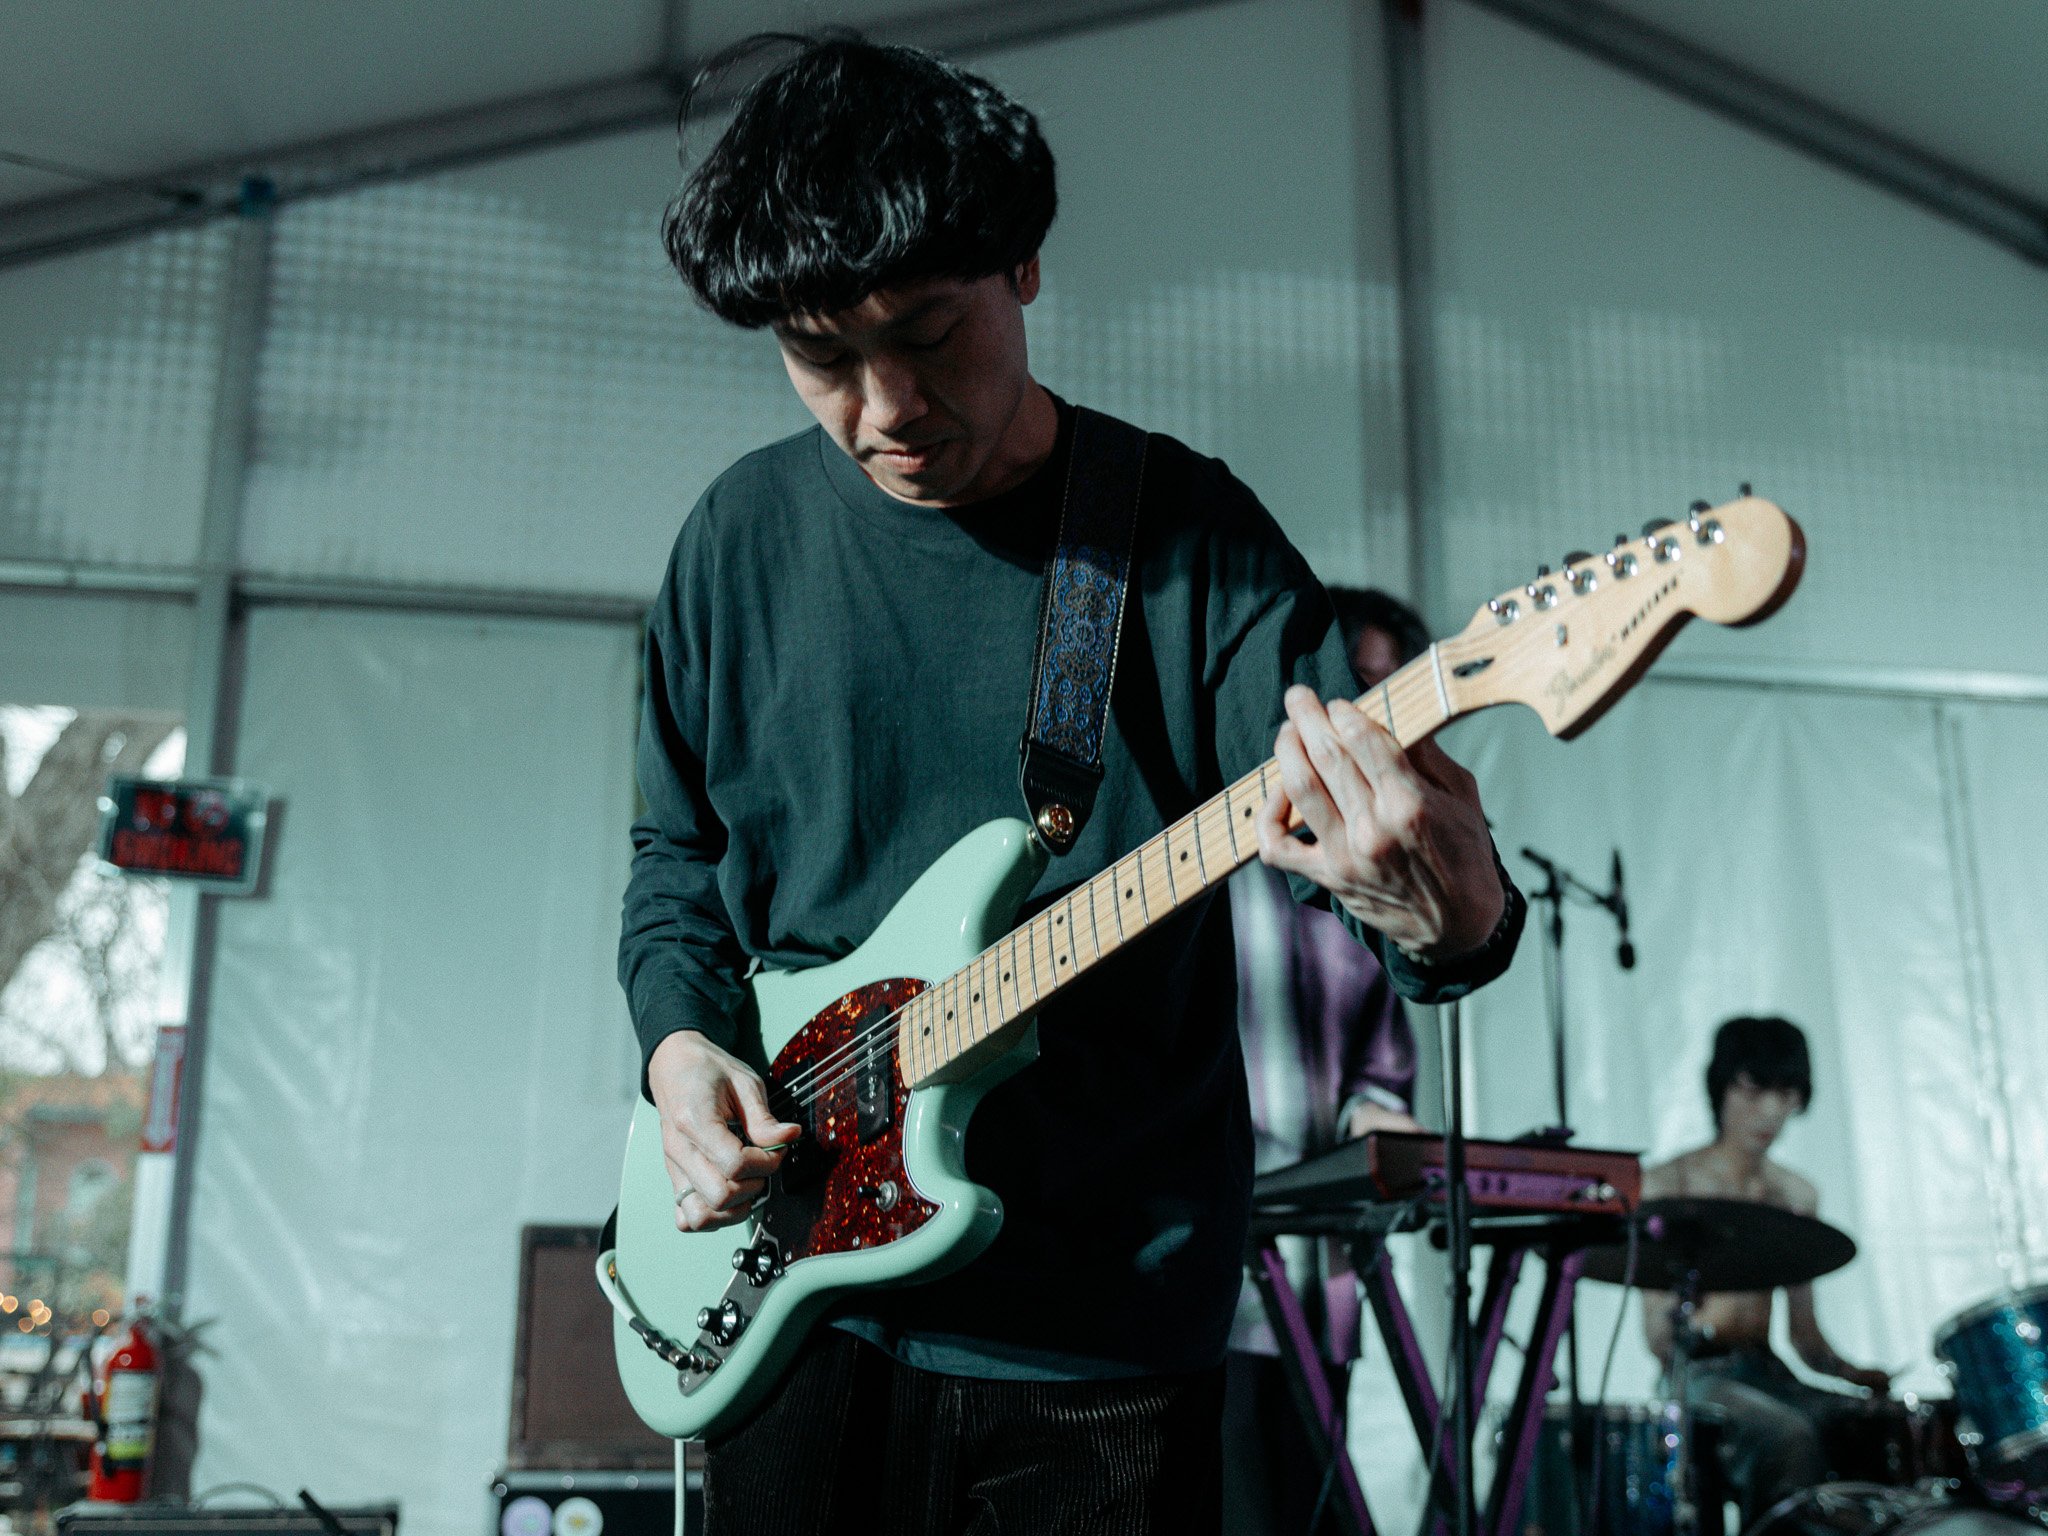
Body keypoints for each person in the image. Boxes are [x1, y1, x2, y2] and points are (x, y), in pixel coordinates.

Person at [618, 35, 1525, 1535]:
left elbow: (1410, 909)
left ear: (1023, 266)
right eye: (823, 355)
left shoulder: (1186, 538)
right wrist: (676, 1054)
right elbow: (675, 860)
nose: (885, 406)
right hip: (785, 1303)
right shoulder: (736, 540)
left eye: (926, 331)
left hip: (1096, 1333)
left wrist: (1449, 909)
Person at [1222, 588, 1430, 1536]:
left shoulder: (1378, 877)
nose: (1376, 711)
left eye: (1396, 688)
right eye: (1360, 684)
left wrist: (1382, 1124)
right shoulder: (1210, 840)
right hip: (1196, 1276)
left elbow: (1382, 1067)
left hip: (1315, 1281)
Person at [1640, 1015, 1891, 1529]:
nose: (1770, 1112)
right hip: (1699, 1375)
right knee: (1786, 1435)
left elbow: (1804, 1337)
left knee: (1875, 1428)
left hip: (1770, 1370)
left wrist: (1852, 1374)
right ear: (1722, 1090)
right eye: (1753, 1092)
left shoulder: (1794, 1195)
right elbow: (1659, 1339)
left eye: (1785, 1095)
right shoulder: (1668, 1184)